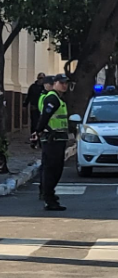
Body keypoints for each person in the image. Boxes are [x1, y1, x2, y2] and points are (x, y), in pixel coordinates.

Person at [31, 74, 70, 211]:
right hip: (52, 139)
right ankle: (49, 198)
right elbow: (45, 116)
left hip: (58, 138)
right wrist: (38, 131)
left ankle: (50, 196)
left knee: (56, 169)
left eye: (66, 83)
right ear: (54, 83)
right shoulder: (52, 98)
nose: (64, 85)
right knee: (51, 170)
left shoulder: (59, 97)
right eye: (62, 83)